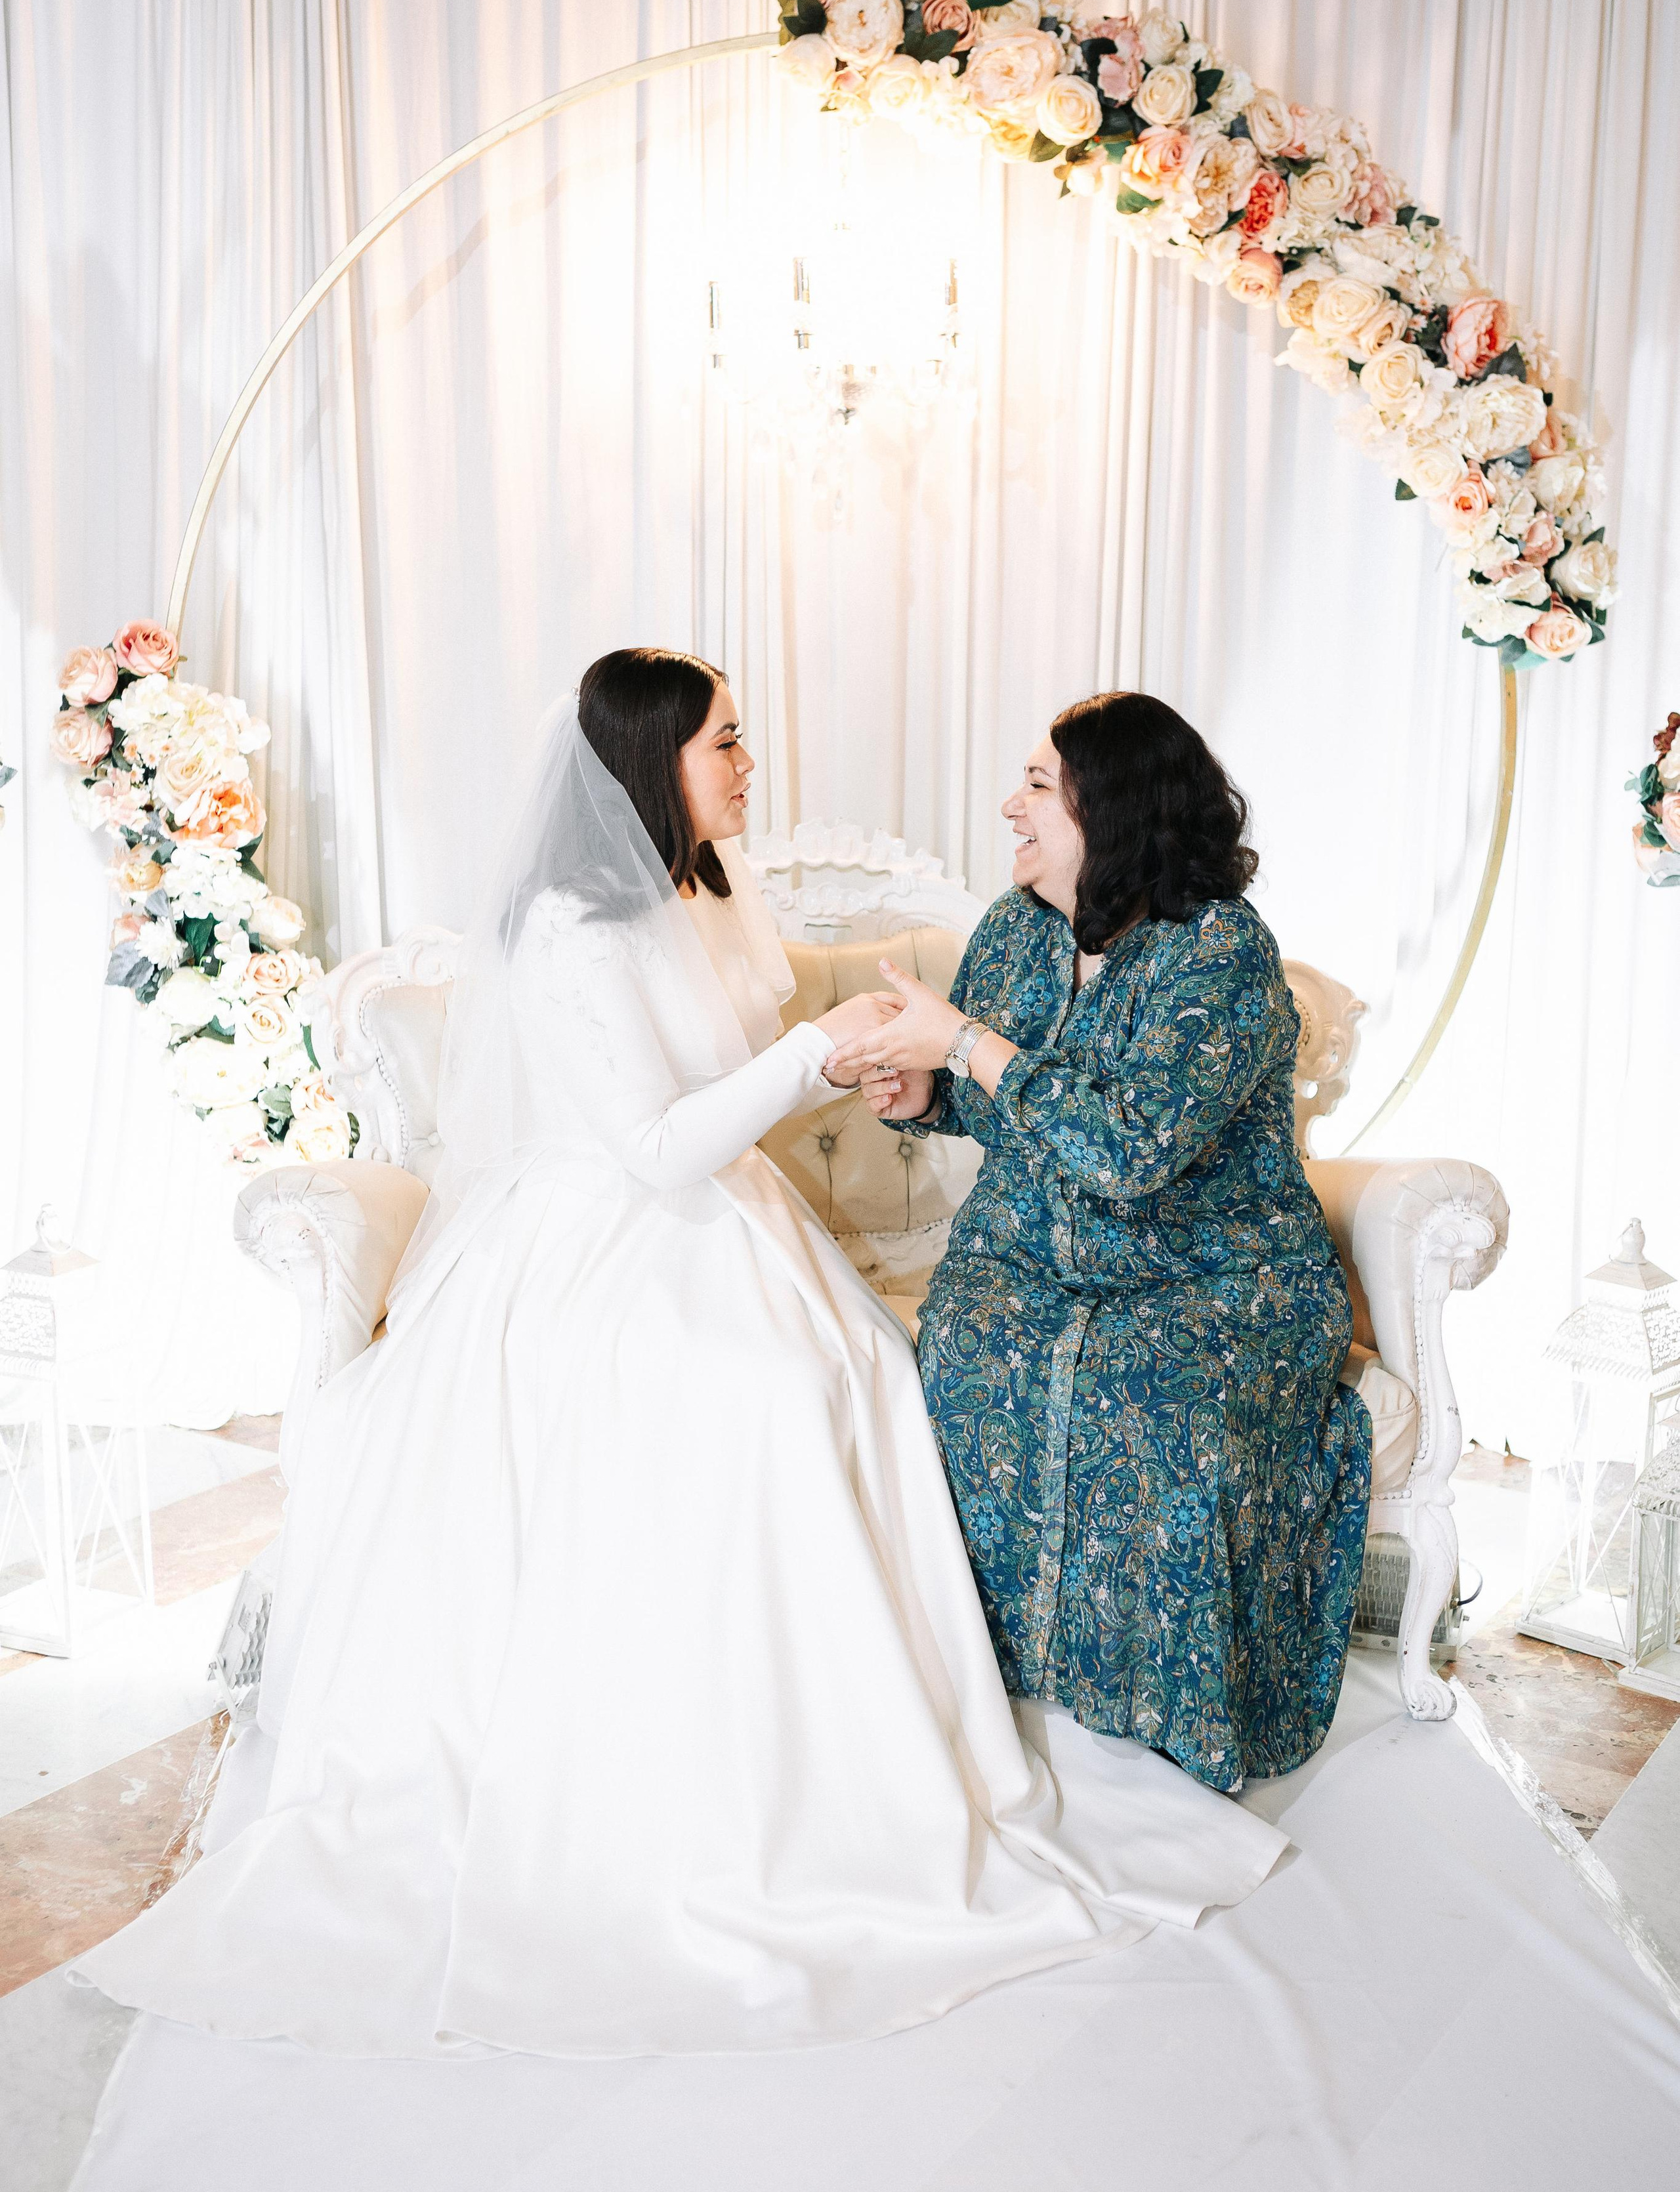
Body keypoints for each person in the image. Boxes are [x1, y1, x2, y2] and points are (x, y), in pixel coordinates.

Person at [75, 650, 1285, 2061]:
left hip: (731, 1214)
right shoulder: (565, 931)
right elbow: (654, 1147)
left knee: (855, 1370)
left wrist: (878, 1067)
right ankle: (701, 1776)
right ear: (656, 763)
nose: (749, 765)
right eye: (725, 743)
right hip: (601, 1231)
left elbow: (753, 1081)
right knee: (749, 1398)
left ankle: (854, 1741)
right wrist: (823, 1054)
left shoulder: (714, 881)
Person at [835, 692, 1372, 1794]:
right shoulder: (1014, 927)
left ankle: (1160, 1709)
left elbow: (1129, 1151)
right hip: (1029, 1265)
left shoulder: (1220, 952)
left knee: (1159, 1406)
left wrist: (965, 1042)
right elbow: (995, 1105)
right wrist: (923, 1095)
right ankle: (1000, 1678)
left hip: (1216, 1276)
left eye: (1038, 785)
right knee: (962, 1366)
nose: (1010, 806)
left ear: (1114, 807)